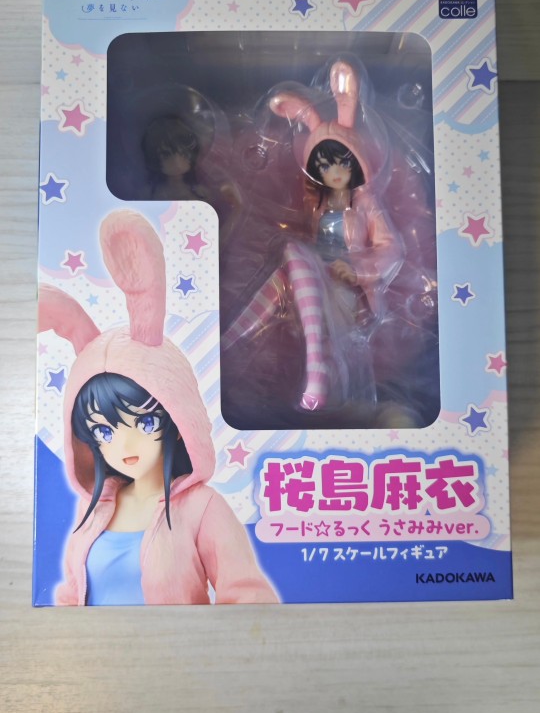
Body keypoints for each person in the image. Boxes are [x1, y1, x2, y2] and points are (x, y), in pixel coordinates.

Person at [38, 210, 278, 605]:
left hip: (175, 646)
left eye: (145, 422)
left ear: (178, 419)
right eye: (104, 431)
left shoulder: (202, 509)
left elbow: (247, 597)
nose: (124, 444)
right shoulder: (92, 509)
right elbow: (71, 594)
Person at [223, 59, 403, 411]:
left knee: (292, 253)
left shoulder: (367, 206)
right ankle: (249, 341)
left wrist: (359, 270)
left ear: (356, 162)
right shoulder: (318, 207)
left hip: (347, 293)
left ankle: (258, 341)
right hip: (318, 289)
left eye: (341, 162)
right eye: (322, 165)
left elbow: (391, 250)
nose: (332, 171)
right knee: (286, 269)